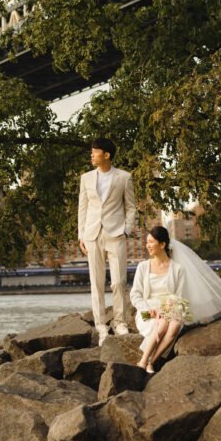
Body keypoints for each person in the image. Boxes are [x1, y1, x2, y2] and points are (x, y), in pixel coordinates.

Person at [130, 224, 221, 372]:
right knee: (161, 325)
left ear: (162, 244)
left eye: (151, 242)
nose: (147, 245)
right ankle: (143, 362)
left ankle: (151, 361)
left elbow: (178, 296)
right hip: (147, 310)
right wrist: (149, 310)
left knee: (174, 327)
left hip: (170, 307)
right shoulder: (143, 267)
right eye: (147, 242)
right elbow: (135, 294)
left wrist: (167, 309)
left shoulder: (177, 269)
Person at [78, 137, 136, 343]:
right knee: (96, 282)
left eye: (95, 152)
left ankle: (120, 323)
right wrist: (81, 235)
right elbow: (82, 208)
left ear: (106, 155)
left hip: (116, 234)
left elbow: (131, 207)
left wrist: (126, 230)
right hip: (92, 235)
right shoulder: (85, 178)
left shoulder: (124, 177)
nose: (91, 155)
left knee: (119, 282)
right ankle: (101, 326)